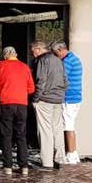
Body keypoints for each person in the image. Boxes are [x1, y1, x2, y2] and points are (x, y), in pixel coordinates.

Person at [0, 46, 35, 176]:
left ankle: (8, 166)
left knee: (6, 135)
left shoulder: (1, 65)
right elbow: (31, 88)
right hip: (21, 104)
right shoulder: (25, 67)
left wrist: (0, 93)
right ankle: (24, 166)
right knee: (21, 135)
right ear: (16, 55)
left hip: (6, 103)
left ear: (5, 55)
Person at [30, 40, 67, 170]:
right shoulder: (58, 60)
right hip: (58, 98)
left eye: (33, 51)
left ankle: (47, 163)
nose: (32, 54)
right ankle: (60, 158)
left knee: (45, 131)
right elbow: (65, 80)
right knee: (57, 129)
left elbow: (41, 81)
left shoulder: (42, 60)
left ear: (39, 49)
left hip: (45, 99)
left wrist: (35, 98)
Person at [52, 41, 84, 165]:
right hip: (75, 97)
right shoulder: (75, 58)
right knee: (70, 124)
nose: (56, 57)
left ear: (60, 50)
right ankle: (73, 153)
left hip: (69, 98)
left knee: (68, 126)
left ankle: (70, 154)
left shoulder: (67, 62)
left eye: (56, 54)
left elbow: (60, 77)